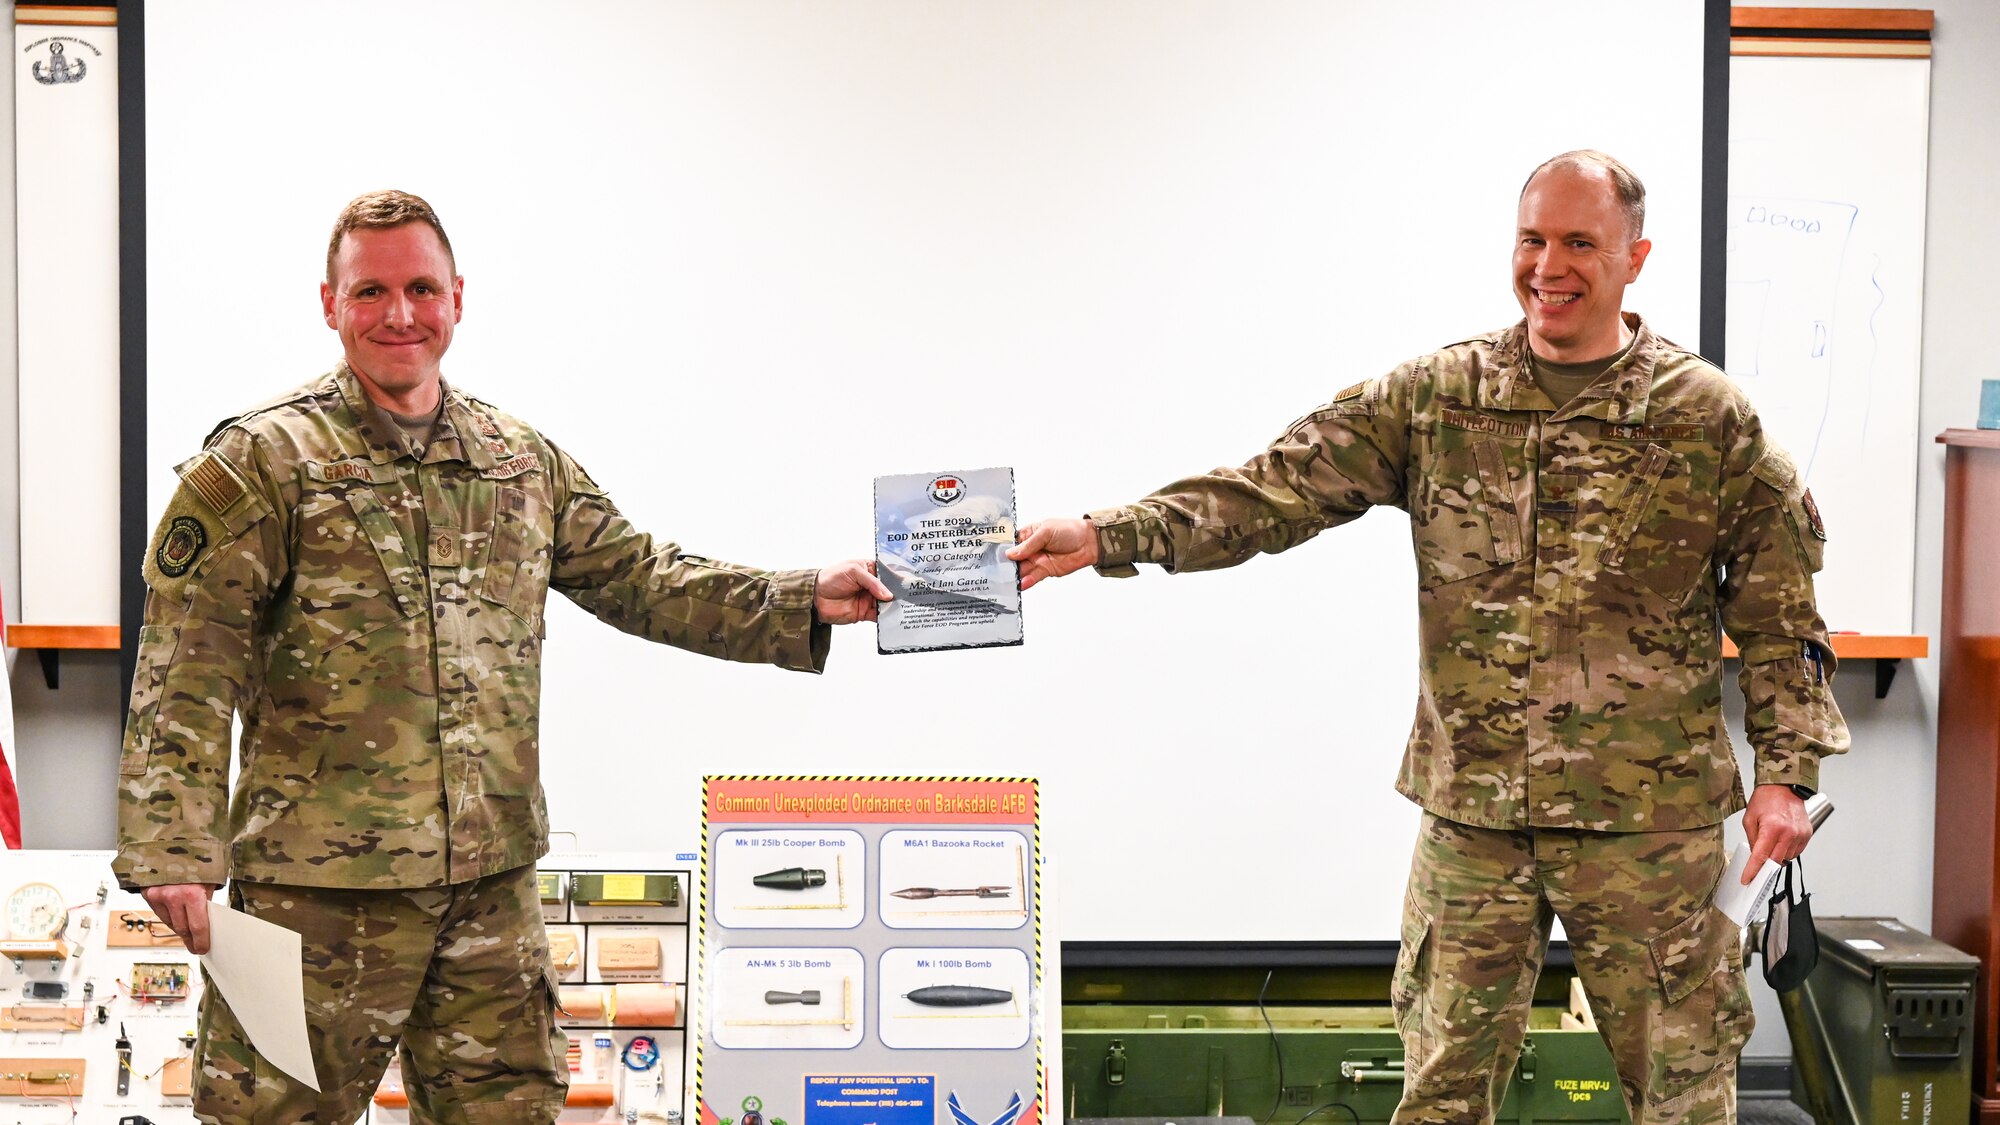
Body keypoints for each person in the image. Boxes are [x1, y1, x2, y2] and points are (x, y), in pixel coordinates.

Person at [1008, 151, 1849, 1125]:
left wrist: (1787, 774)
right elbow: (1268, 493)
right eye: (1531, 240)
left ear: (1634, 257)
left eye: (1578, 242)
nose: (1548, 266)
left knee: (1681, 1093)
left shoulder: (1704, 419)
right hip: (1473, 820)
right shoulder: (1440, 397)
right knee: (1442, 1094)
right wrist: (1106, 535)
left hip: (1644, 827)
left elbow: (1779, 616)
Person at [112, 190, 891, 1124]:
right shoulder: (263, 462)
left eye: (420, 288)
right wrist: (172, 849)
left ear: (457, 298)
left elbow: (643, 577)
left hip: (489, 892)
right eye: (370, 293)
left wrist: (801, 595)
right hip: (316, 904)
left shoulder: (517, 461)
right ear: (330, 303)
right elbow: (187, 660)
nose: (399, 315)